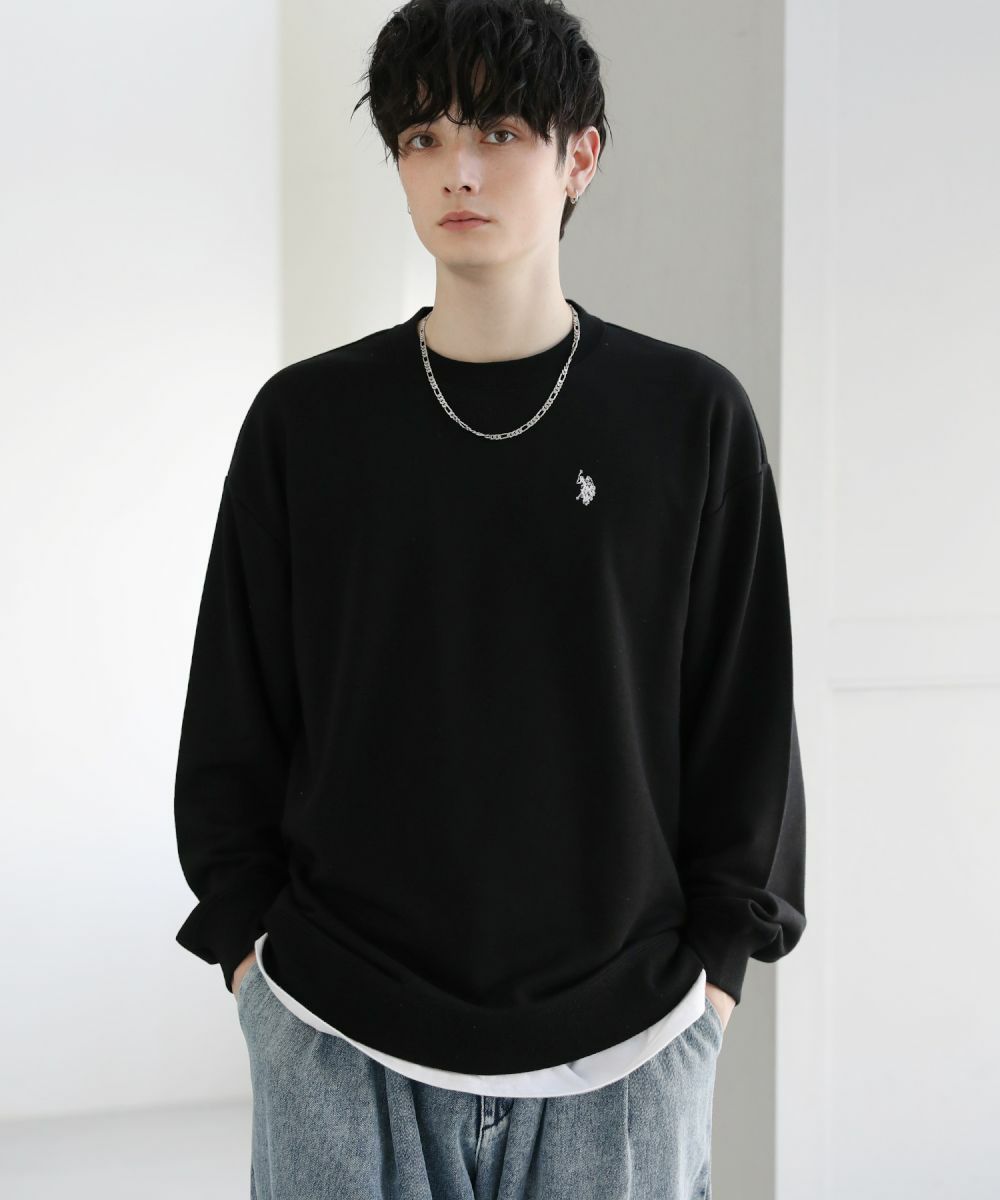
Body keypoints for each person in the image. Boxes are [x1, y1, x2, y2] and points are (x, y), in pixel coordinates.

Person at [173, 1, 807, 1196]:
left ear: (580, 155)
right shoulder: (307, 423)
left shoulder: (689, 418)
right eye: (421, 137)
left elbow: (744, 728)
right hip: (335, 1030)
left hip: (628, 1045)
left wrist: (714, 986)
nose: (455, 170)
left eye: (498, 131)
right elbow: (234, 716)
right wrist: (255, 968)